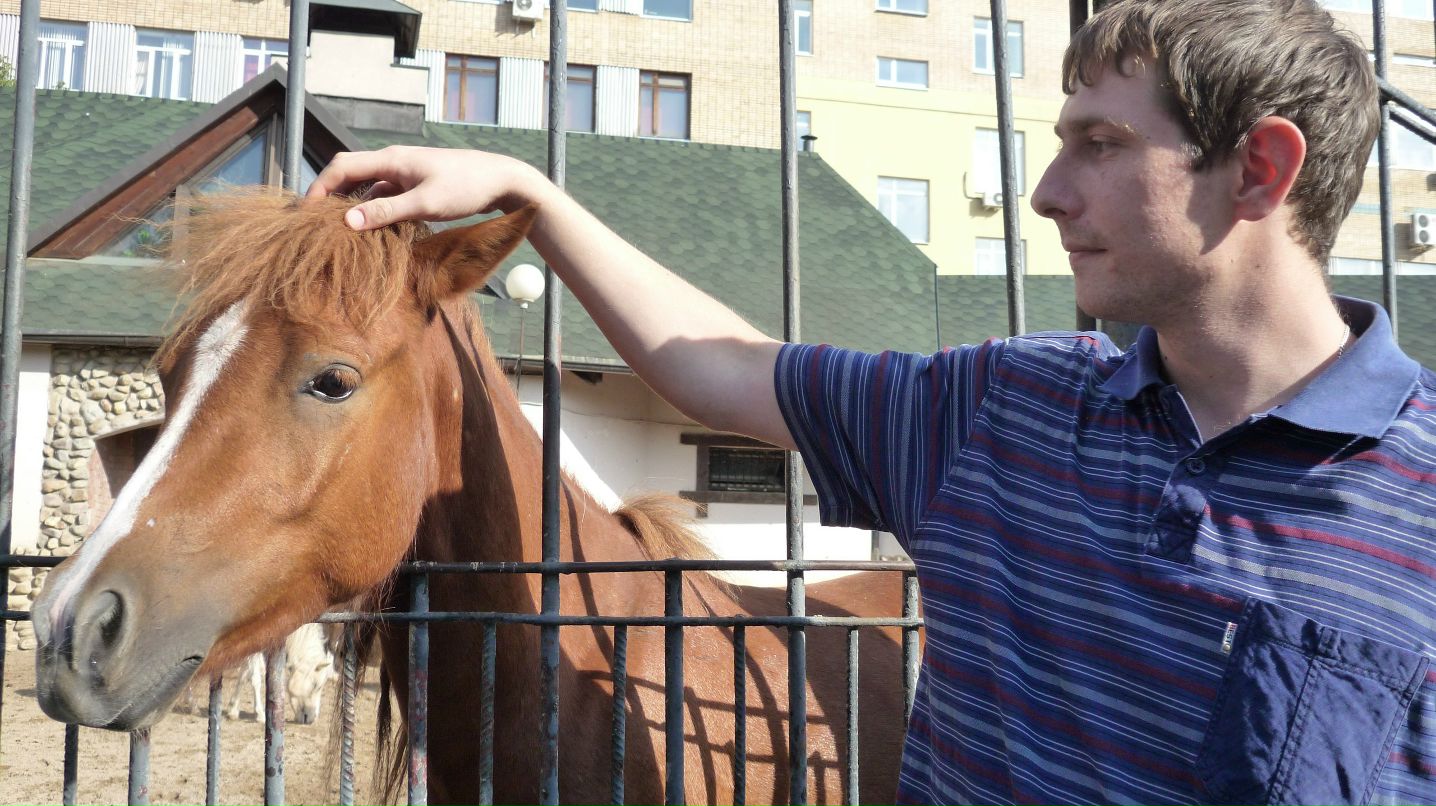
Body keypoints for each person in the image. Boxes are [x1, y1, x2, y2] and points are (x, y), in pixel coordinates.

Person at [307, 0, 1435, 802]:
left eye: (1100, 144)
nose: (1045, 192)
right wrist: (532, 195)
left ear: (1256, 171)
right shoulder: (1002, 406)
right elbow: (722, 364)